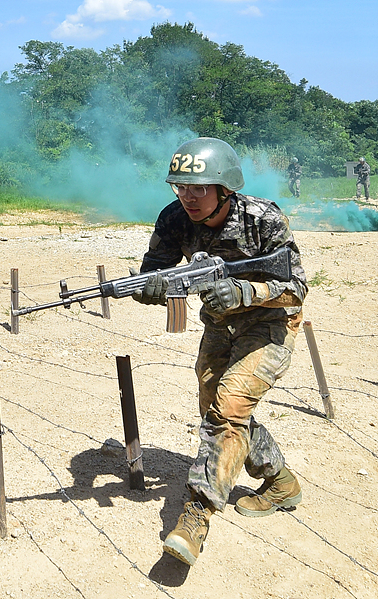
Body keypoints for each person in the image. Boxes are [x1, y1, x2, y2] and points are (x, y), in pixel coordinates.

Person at [132, 137, 308, 567]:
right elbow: (151, 273)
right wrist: (153, 287)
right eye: (180, 187)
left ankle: (196, 515)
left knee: (228, 410)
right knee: (217, 408)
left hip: (269, 323)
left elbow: (297, 287)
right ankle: (280, 480)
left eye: (199, 188)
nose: (188, 197)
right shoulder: (174, 218)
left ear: (225, 188)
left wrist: (244, 291)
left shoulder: (261, 218)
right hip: (219, 324)